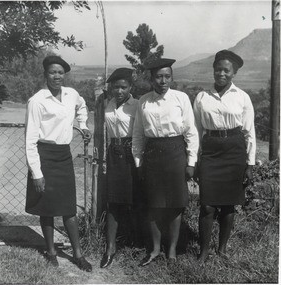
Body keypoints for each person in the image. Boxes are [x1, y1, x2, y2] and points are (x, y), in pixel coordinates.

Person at [25, 55, 92, 271]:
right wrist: (37, 173)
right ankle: (51, 252)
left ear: (65, 75)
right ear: (45, 74)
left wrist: (83, 125)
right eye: (52, 72)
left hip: (63, 156)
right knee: (47, 208)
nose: (57, 76)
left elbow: (82, 107)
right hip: (44, 156)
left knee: (69, 209)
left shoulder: (71, 94)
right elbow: (30, 141)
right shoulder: (37, 101)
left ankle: (78, 255)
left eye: (60, 73)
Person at [132, 58, 199, 266]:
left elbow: (191, 132)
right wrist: (138, 162)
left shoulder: (181, 98)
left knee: (175, 205)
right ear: (152, 78)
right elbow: (138, 135)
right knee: (154, 204)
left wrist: (191, 162)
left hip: (176, 153)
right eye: (159, 77)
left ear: (172, 77)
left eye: (167, 76)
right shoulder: (143, 101)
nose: (163, 81)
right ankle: (154, 249)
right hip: (152, 155)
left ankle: (171, 251)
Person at [193, 50, 256, 262]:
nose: (221, 73)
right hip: (211, 151)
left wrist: (250, 163)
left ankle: (222, 249)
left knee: (229, 204)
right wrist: (195, 160)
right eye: (218, 69)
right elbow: (195, 131)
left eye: (226, 70)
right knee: (207, 205)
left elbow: (249, 132)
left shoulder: (242, 97)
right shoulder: (202, 97)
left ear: (233, 73)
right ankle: (203, 251)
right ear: (213, 70)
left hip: (234, 151)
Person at [100, 68, 139, 268]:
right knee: (113, 201)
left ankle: (136, 242)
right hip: (113, 153)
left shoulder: (137, 106)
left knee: (134, 199)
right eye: (116, 87)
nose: (119, 91)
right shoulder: (108, 105)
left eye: (124, 87)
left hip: (132, 154)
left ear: (130, 87)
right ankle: (110, 247)